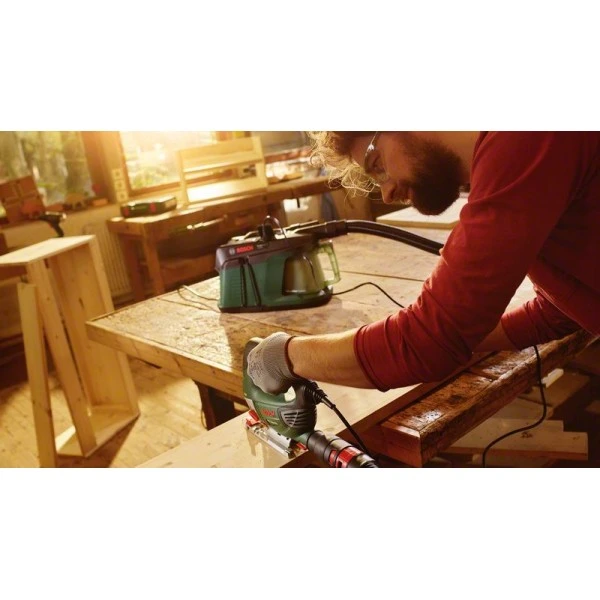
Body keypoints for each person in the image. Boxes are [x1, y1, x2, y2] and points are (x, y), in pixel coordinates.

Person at [247, 132, 600, 395]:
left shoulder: (524, 139)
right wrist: (455, 333)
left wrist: (285, 356)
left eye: (377, 165)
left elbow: (427, 342)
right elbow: (562, 308)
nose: (386, 192)